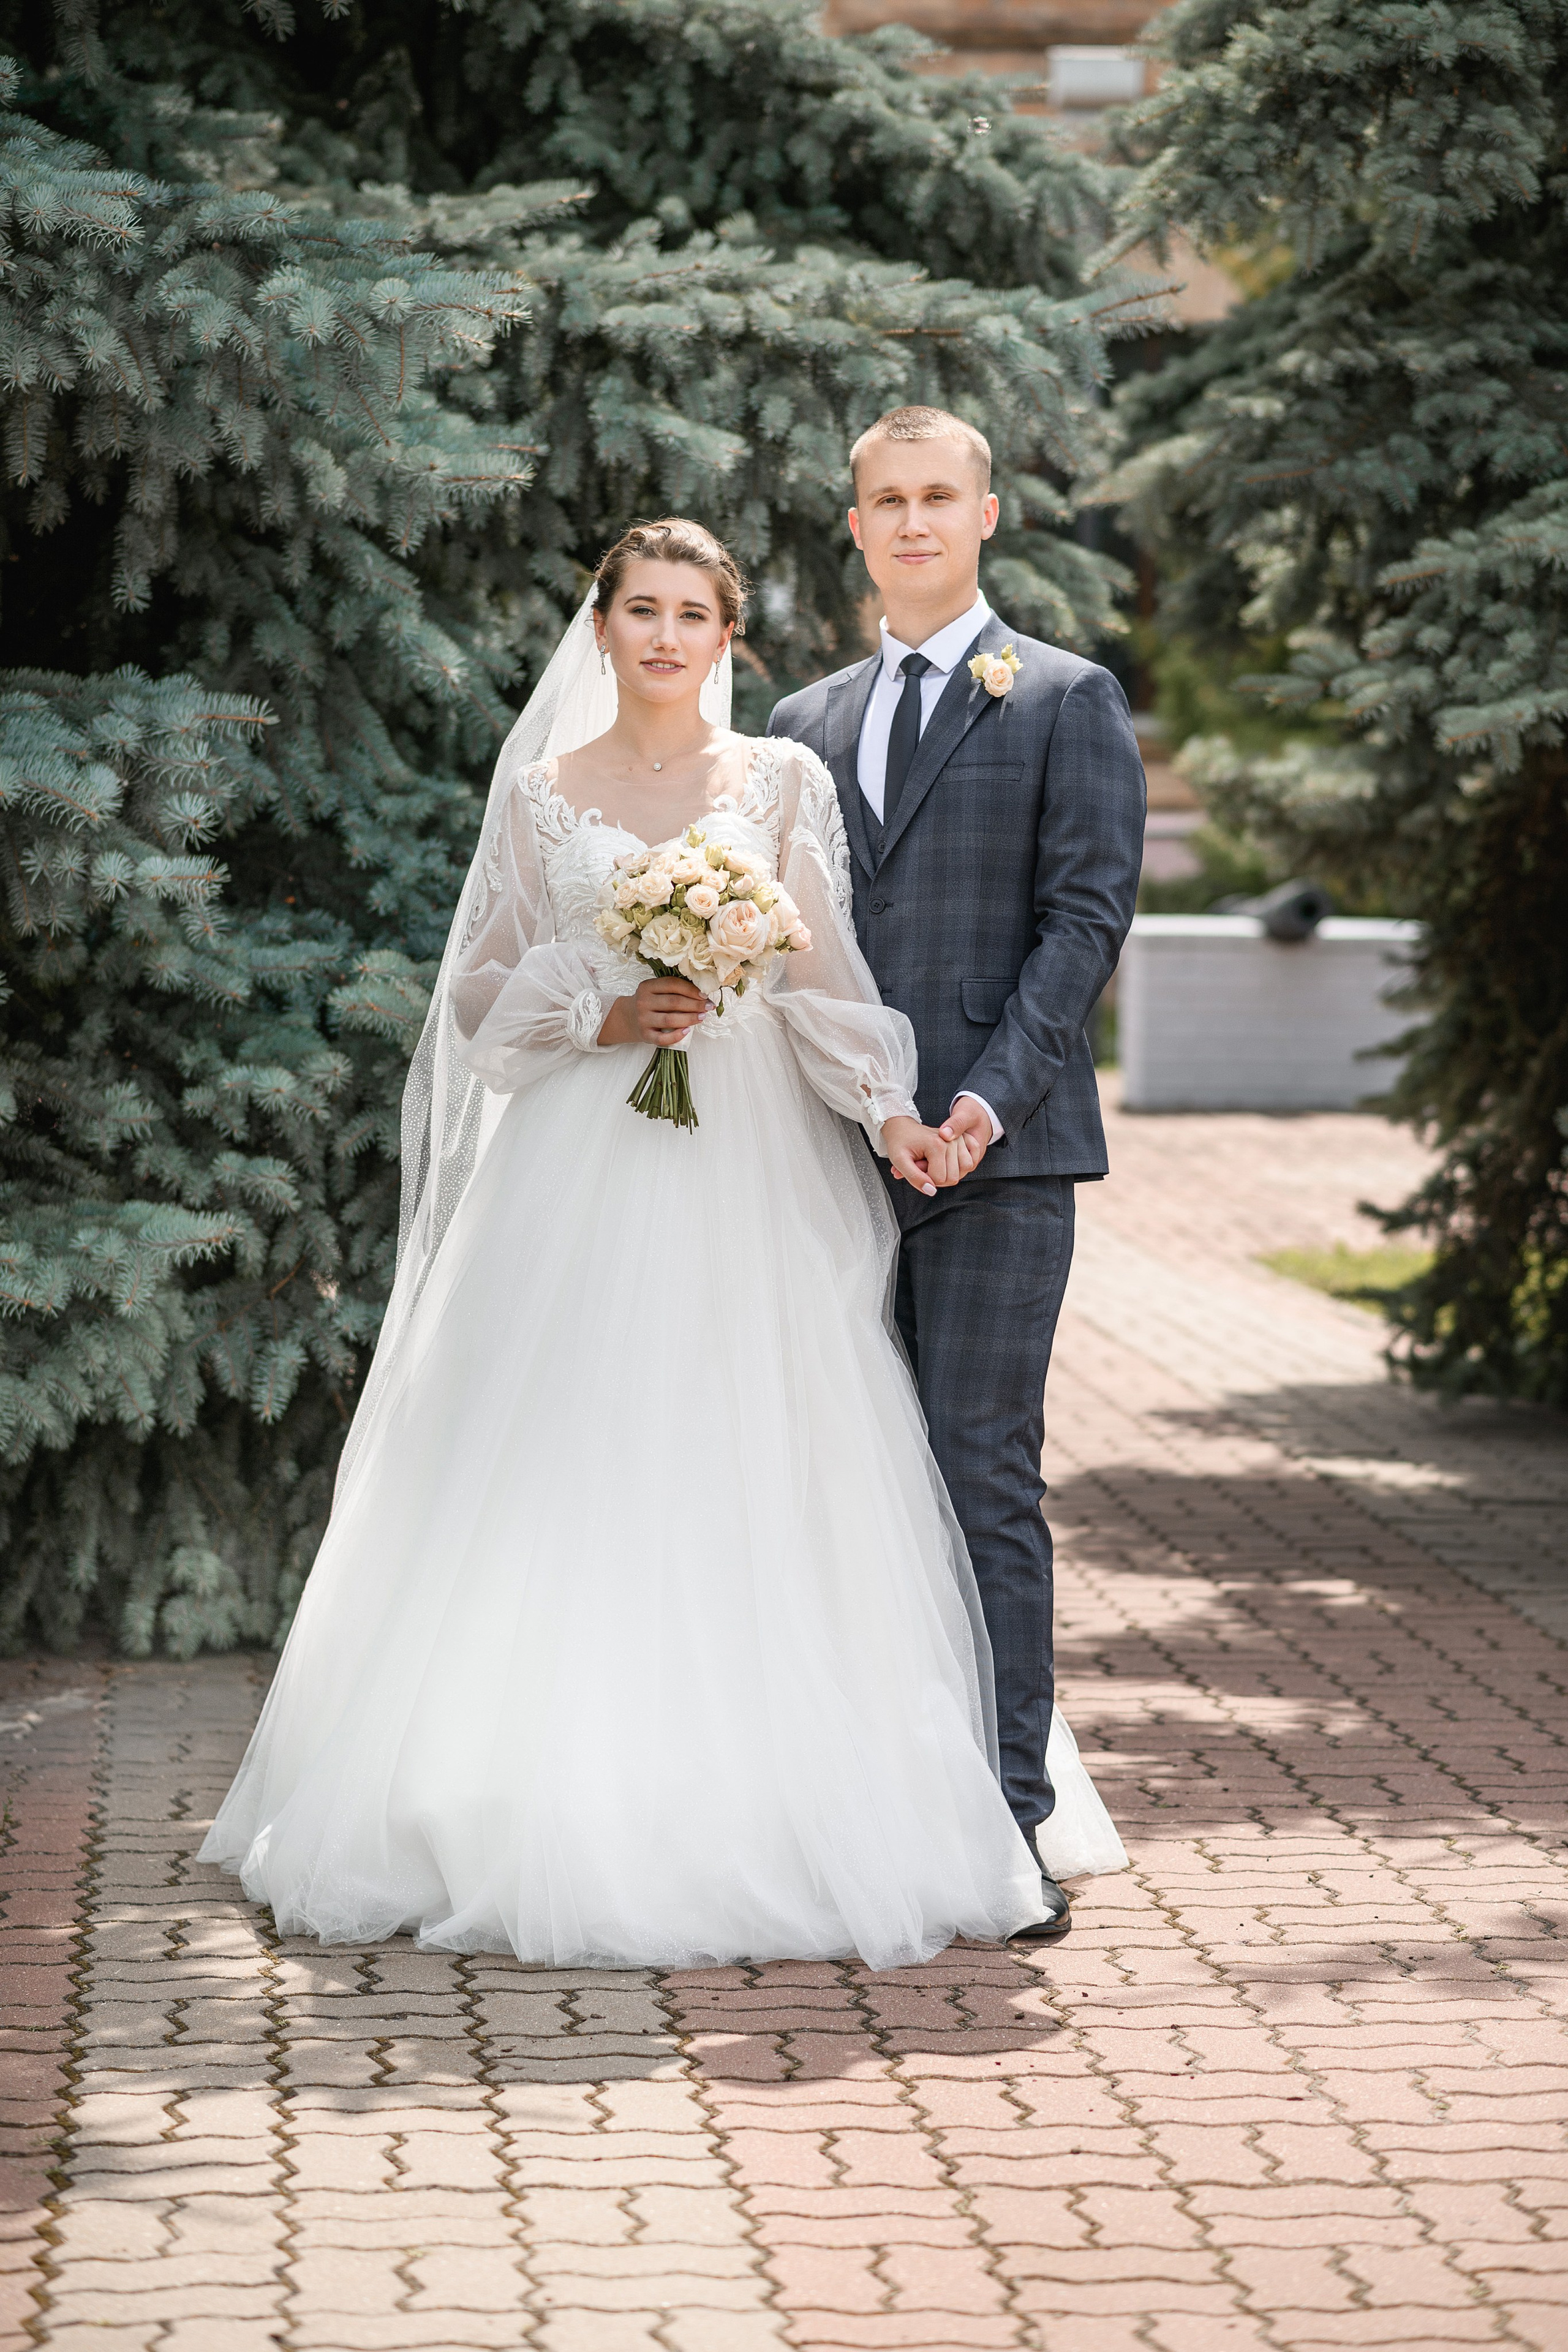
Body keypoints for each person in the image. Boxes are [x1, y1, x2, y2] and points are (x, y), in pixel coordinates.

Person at [200, 516, 1126, 1970]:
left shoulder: (777, 780)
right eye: (641, 608)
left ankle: (783, 1795)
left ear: (728, 638)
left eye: (695, 612)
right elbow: (478, 999)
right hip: (577, 1163)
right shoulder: (541, 791)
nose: (666, 636)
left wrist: (894, 1113)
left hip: (748, 1167)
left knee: (753, 1449)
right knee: (566, 1451)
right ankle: (543, 1788)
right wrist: (603, 1008)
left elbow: (826, 979)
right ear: (602, 623)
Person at [769, 408, 1146, 1941]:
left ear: (986, 514)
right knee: (843, 1487)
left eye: (939, 496)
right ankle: (862, 1803)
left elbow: (1083, 925)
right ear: (850, 526)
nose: (913, 521)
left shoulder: (1065, 699)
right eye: (885, 500)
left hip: (999, 1157)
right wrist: (865, 1107)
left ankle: (1001, 1822)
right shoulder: (796, 724)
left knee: (979, 1474)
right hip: (829, 1163)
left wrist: (979, 1104)